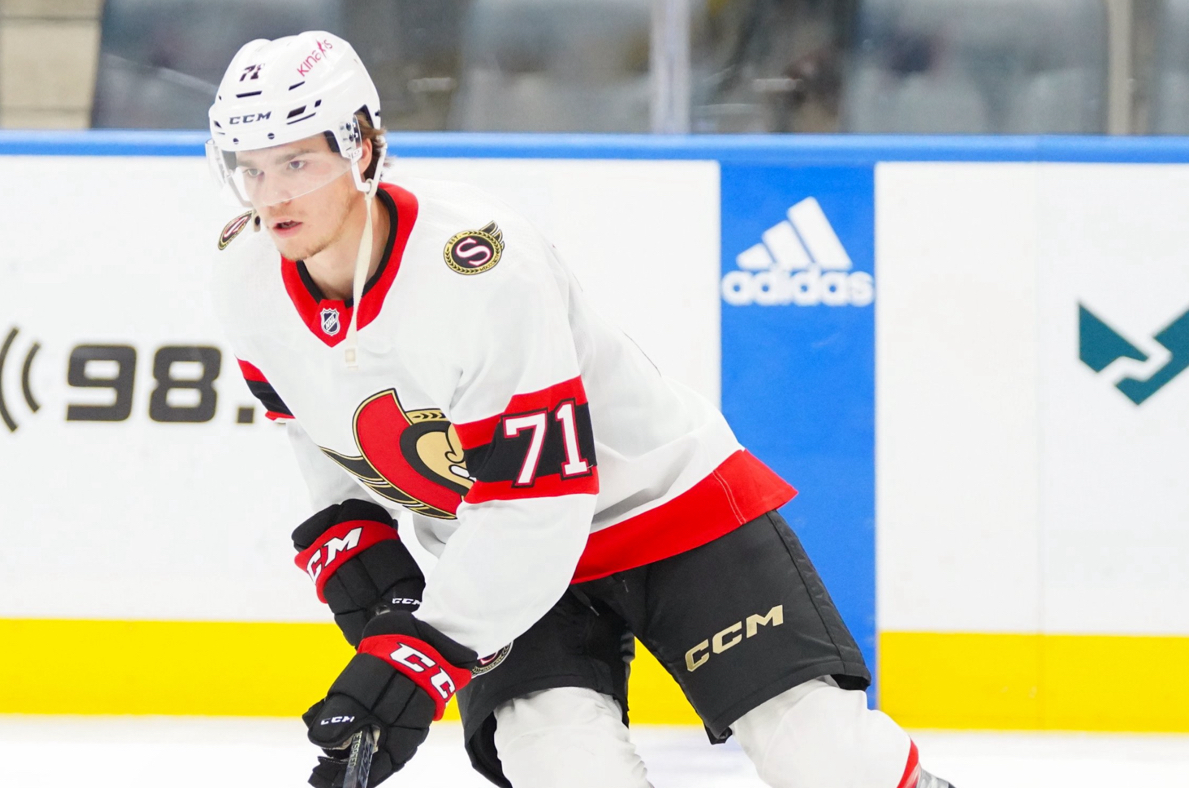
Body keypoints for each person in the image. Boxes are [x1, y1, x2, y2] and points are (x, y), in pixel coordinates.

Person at [205, 30, 955, 788]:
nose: (272, 196)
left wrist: (421, 654)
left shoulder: (475, 267)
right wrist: (358, 551)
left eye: (296, 163)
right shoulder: (245, 276)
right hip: (502, 563)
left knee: (826, 760)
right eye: (251, 167)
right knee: (566, 771)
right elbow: (313, 426)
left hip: (671, 515)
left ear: (362, 148)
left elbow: (539, 506)